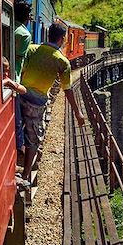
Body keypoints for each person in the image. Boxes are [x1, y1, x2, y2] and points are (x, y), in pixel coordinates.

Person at [19, 22, 85, 183]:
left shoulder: (31, 49)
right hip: (37, 102)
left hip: (20, 94)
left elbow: (21, 70)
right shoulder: (62, 61)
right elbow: (67, 89)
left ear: (48, 34)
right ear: (63, 39)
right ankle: (26, 175)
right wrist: (78, 112)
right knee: (33, 139)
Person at [13, 0, 32, 162]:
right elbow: (20, 60)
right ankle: (19, 151)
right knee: (17, 120)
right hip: (15, 80)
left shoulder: (7, 25)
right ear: (27, 17)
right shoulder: (24, 34)